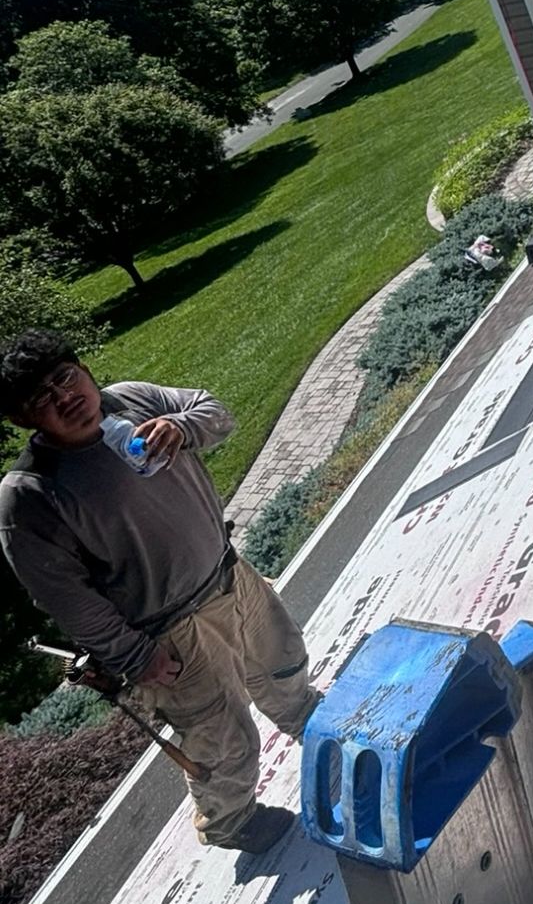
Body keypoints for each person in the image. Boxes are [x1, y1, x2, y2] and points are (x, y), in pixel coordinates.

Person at [0, 330, 318, 853]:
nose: (65, 397)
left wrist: (182, 426)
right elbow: (64, 597)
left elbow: (215, 411)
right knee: (222, 744)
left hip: (231, 576)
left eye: (65, 377)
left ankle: (311, 723)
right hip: (174, 635)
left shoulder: (131, 400)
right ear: (23, 420)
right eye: (42, 399)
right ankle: (232, 824)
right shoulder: (30, 494)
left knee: (283, 665)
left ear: (81, 368)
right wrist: (135, 656)